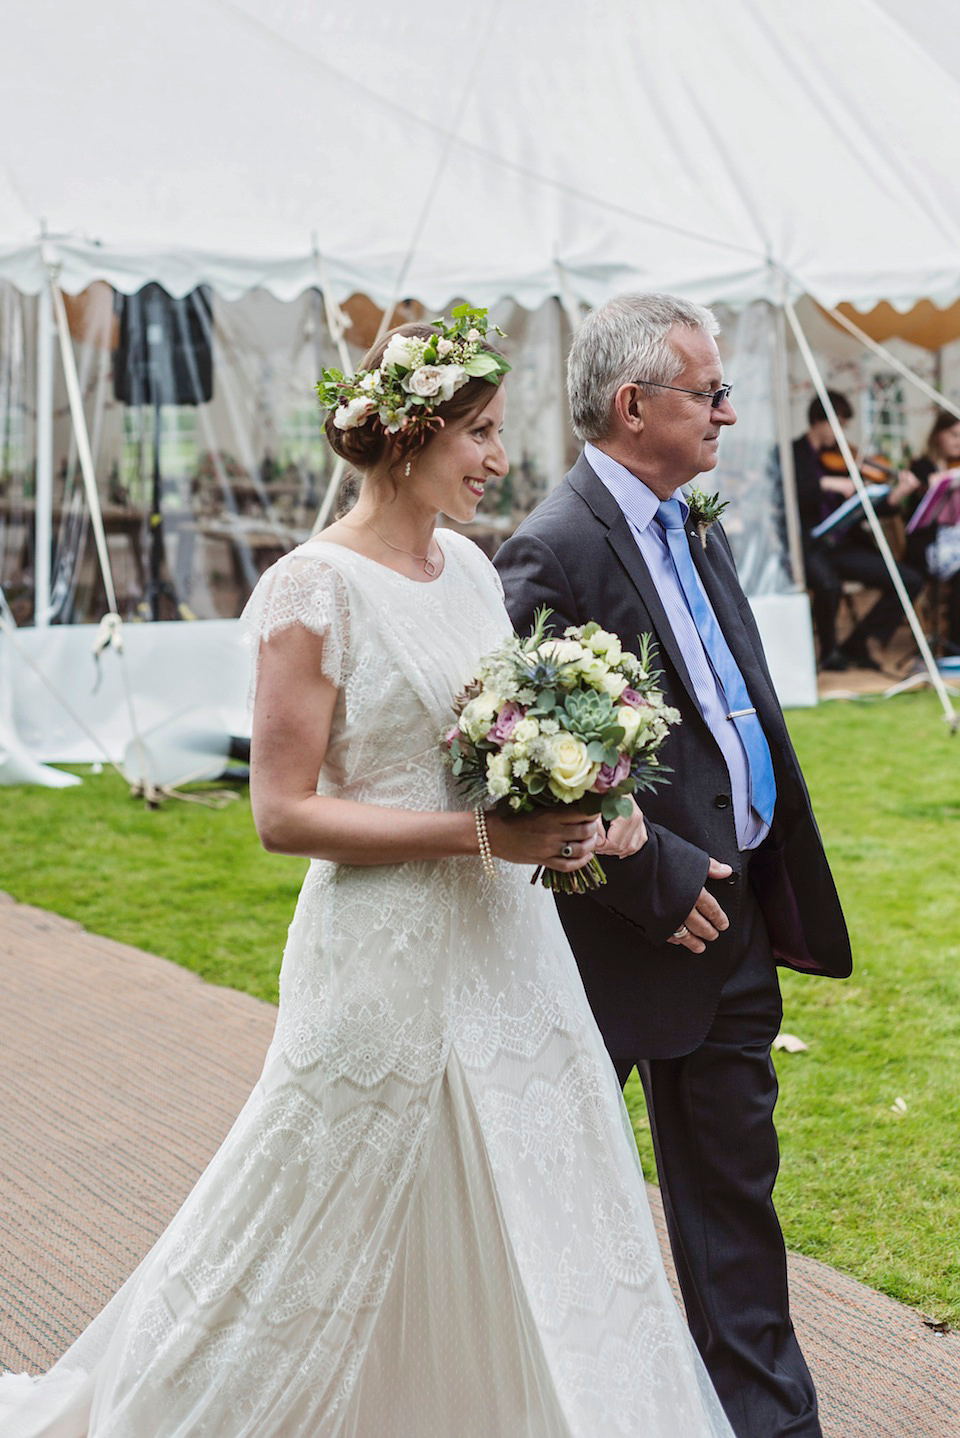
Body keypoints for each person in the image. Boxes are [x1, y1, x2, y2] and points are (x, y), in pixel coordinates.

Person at [0, 313, 735, 1438]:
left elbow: (492, 747)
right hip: (382, 951)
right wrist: (483, 840)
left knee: (540, 1192)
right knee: (309, 1206)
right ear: (411, 439)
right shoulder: (313, 589)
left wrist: (576, 804)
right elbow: (282, 811)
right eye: (480, 434)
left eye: (497, 435)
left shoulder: (476, 570)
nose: (499, 459)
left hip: (507, 948)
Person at [494, 293, 852, 1438]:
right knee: (574, 1206)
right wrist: (660, 885)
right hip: (626, 942)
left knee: (737, 1196)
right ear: (632, 402)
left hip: (740, 916)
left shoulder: (692, 516)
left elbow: (722, 698)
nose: (728, 413)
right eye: (708, 393)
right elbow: (530, 758)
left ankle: (770, 1421)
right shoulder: (548, 547)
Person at [793, 391, 923, 671]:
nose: (841, 434)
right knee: (828, 586)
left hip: (843, 546)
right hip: (809, 546)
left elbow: (872, 509)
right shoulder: (793, 454)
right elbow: (789, 493)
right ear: (820, 421)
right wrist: (827, 484)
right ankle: (829, 653)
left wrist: (896, 494)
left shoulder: (847, 459)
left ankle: (858, 642)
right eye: (838, 424)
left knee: (908, 580)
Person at [903, 408, 960, 652]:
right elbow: (915, 519)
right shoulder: (922, 468)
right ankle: (954, 646)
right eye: (954, 435)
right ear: (938, 436)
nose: (959, 441)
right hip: (929, 545)